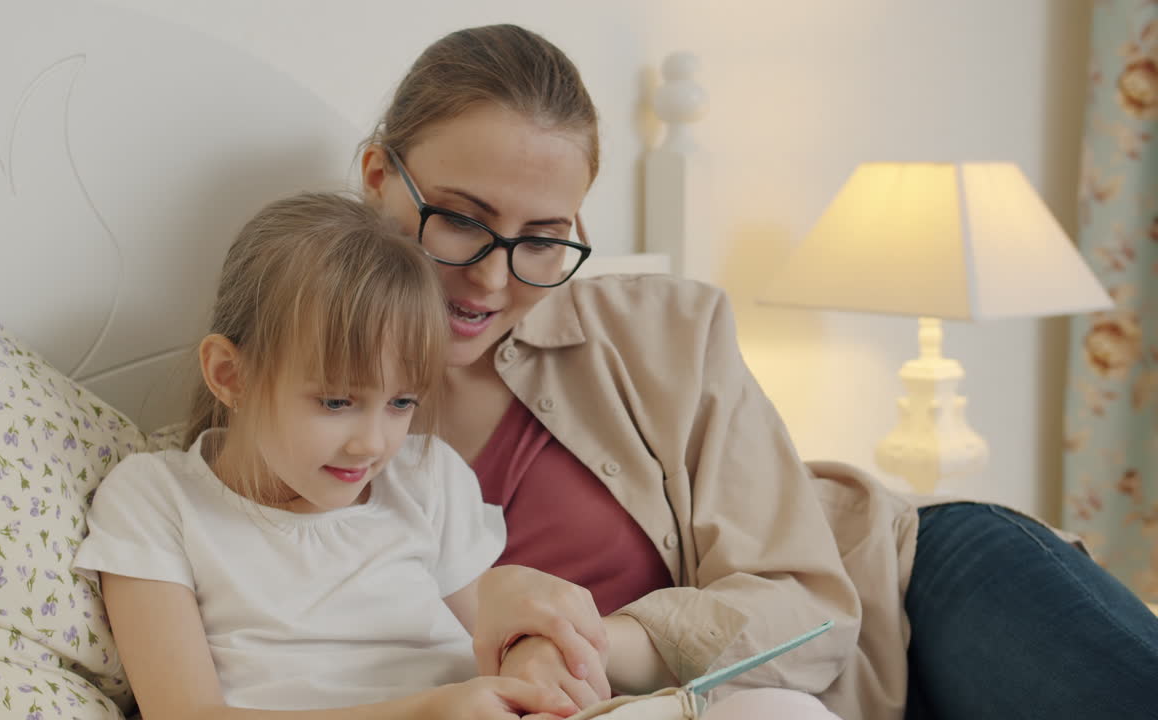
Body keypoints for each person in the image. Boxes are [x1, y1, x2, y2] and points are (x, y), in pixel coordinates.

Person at [355, 23, 1158, 720]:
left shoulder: (668, 331)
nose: (495, 281)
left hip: (917, 591)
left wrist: (587, 641)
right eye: (461, 220)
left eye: (543, 238)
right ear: (377, 176)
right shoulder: (302, 398)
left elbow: (806, 607)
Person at [73, 193, 588, 719]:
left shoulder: (426, 475)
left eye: (401, 402)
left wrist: (535, 656)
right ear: (232, 375)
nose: (371, 443)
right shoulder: (158, 499)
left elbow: (495, 643)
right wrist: (424, 713)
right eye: (336, 401)